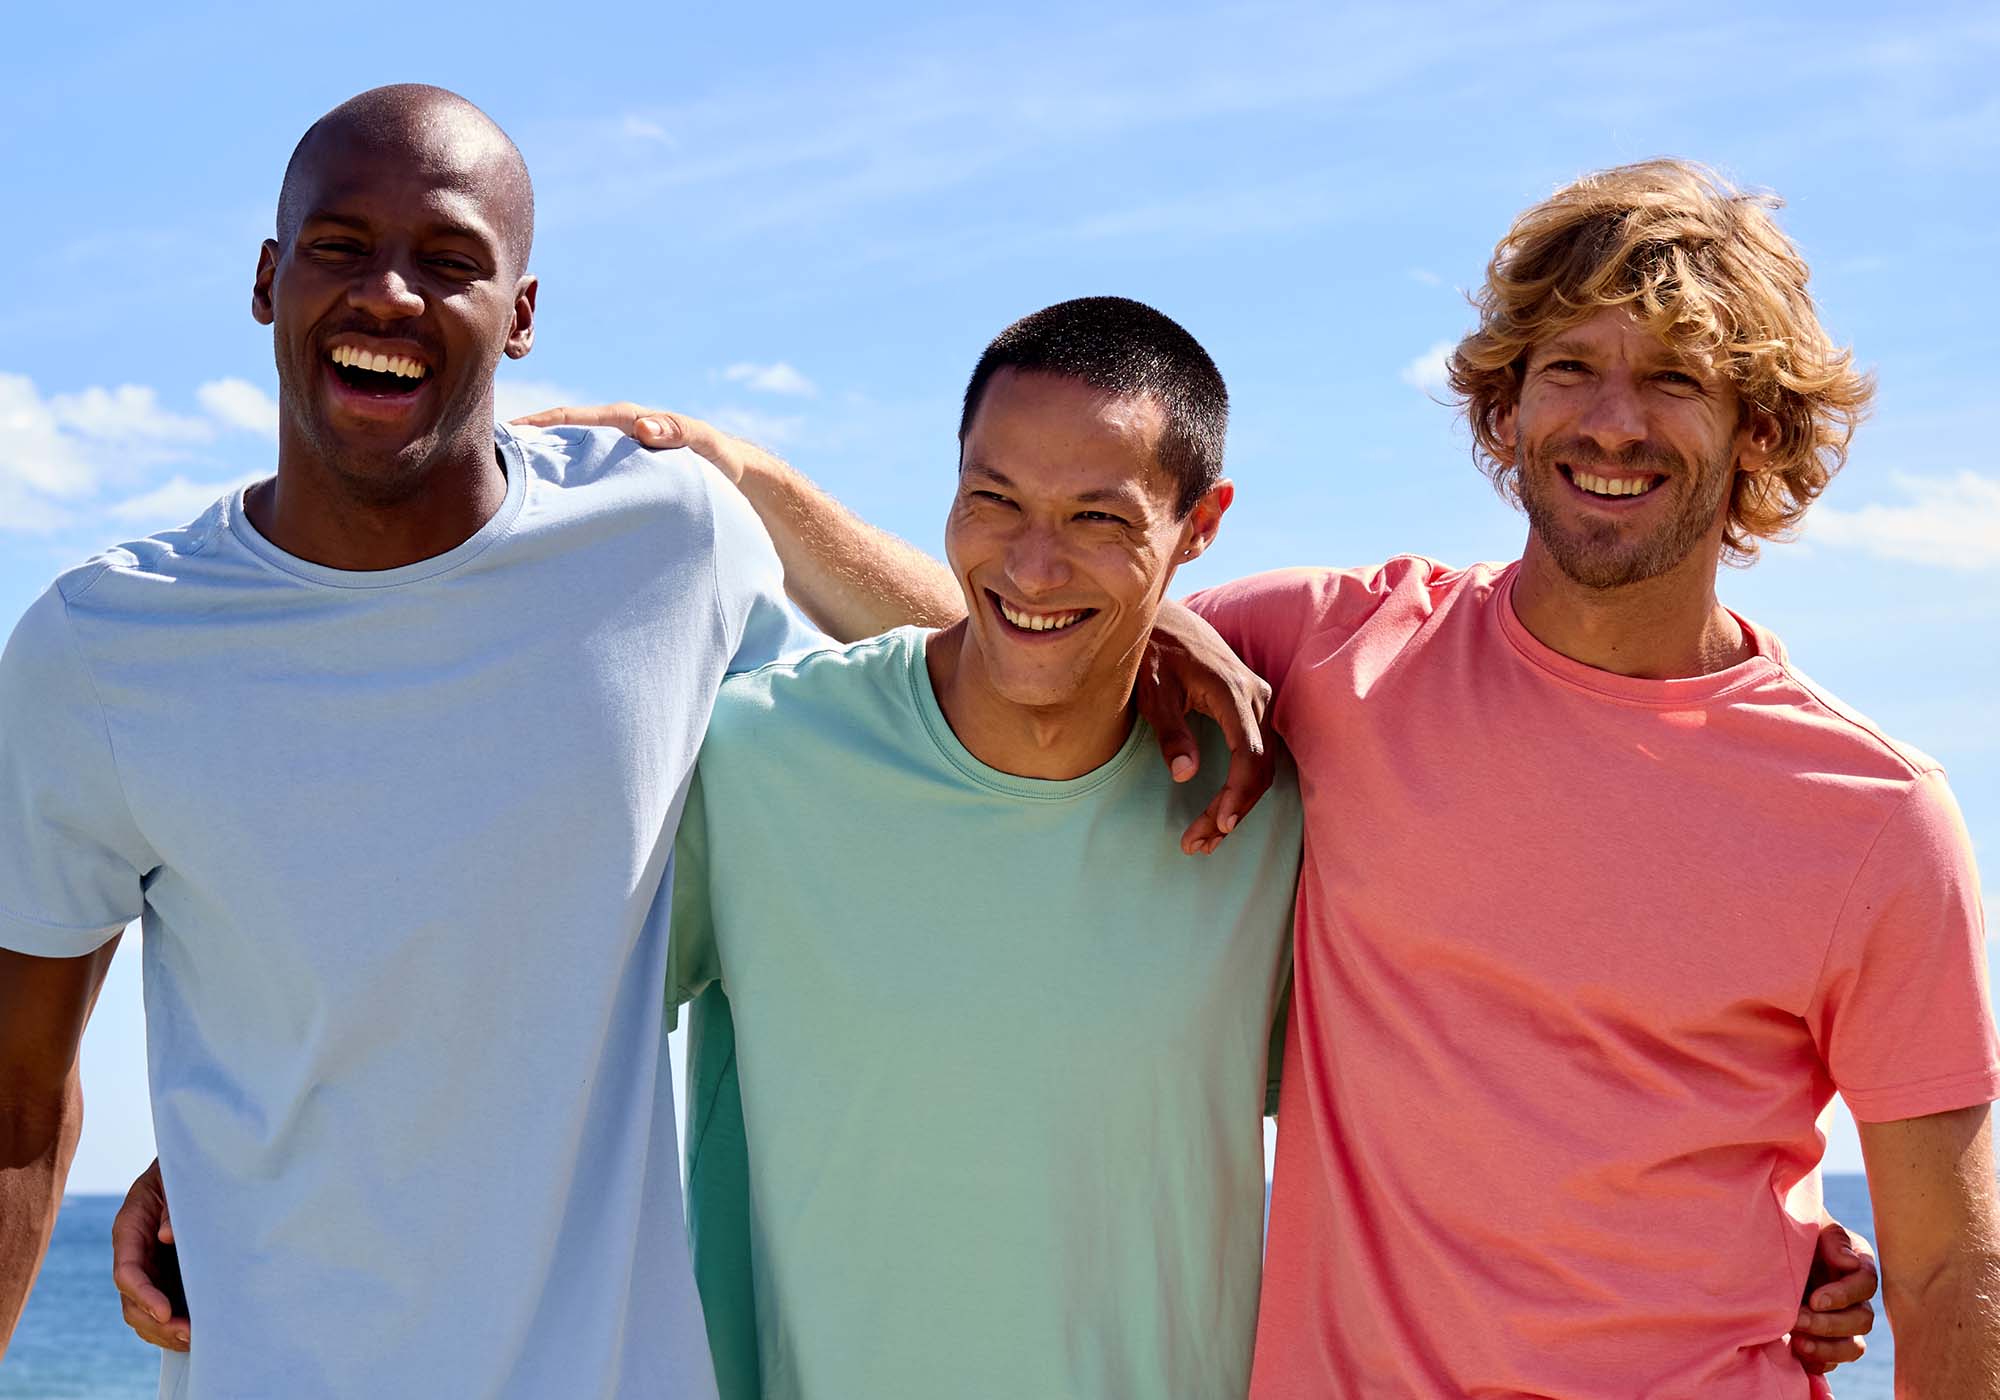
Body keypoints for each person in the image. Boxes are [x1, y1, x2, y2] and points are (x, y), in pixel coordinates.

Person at [512, 162, 1984, 1392]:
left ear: (1762, 433)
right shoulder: (1343, 661)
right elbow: (1034, 638)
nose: (1611, 420)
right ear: (1503, 410)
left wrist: (1785, 1241)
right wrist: (749, 483)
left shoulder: (1872, 814)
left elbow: (1944, 1266)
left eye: (1676, 381)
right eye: (1569, 370)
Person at [0, 87, 1258, 1397]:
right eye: (339, 246)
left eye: (449, 262)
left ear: (523, 316)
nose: (387, 294)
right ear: (269, 279)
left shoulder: (663, 544)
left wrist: (1140, 636)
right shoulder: (104, 651)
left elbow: (984, 688)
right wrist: (212, 1159)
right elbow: (17, 1102)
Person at [665, 297, 1303, 1398]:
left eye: (1099, 520)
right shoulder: (755, 759)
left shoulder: (1273, 809)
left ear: (1200, 527)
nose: (1034, 566)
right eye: (992, 499)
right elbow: (525, 1054)